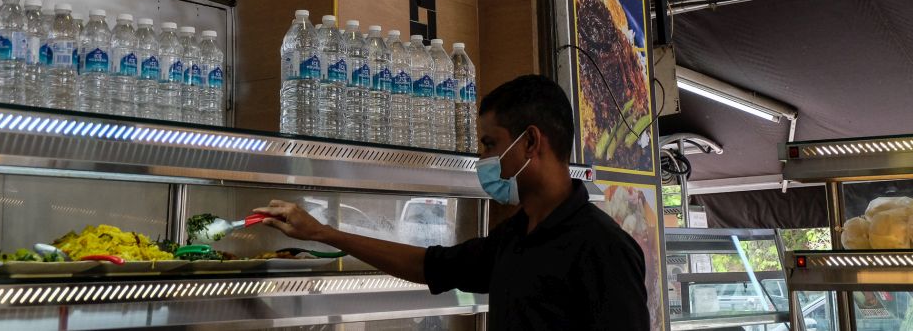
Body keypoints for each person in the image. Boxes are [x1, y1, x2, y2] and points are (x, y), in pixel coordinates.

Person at [256, 74, 650, 331]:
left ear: (531, 142)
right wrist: (321, 232)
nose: (484, 160)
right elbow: (429, 265)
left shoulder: (603, 249)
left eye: (490, 144)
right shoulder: (515, 235)